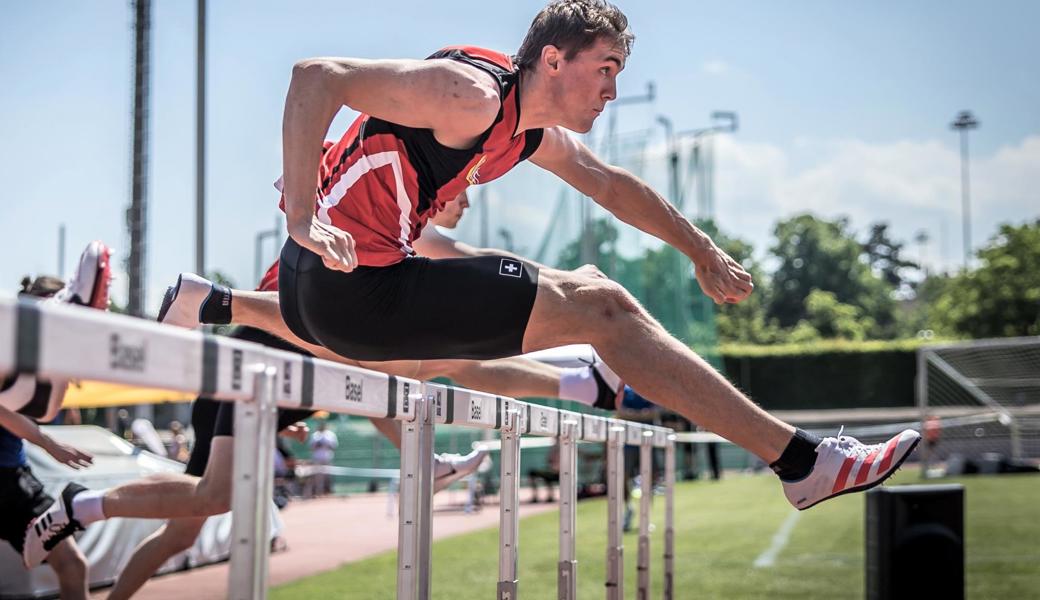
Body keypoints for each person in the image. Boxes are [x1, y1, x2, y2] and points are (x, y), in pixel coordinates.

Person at [307, 419, 338, 496]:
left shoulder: (330, 434)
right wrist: (318, 443)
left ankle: (329, 492)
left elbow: (334, 446)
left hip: (328, 457)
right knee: (318, 477)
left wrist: (326, 443)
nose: (322, 426)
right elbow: (311, 447)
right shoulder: (315, 435)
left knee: (328, 476)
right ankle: (319, 492)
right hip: (317, 458)